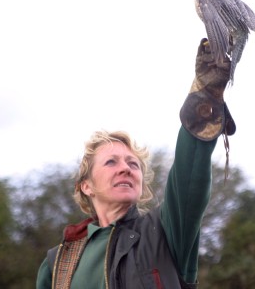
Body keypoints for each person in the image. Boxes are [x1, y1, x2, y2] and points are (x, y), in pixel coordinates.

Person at [36, 38, 235, 289]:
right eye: (111, 162)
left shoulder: (163, 232)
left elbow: (187, 180)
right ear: (86, 186)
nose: (126, 168)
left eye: (133, 164)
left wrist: (205, 97)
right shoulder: (57, 263)